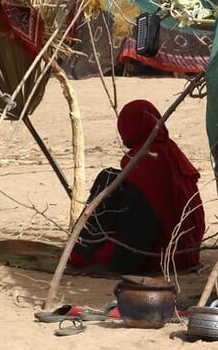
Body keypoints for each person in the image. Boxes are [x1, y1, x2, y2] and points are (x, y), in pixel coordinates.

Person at [69, 100, 205, 274]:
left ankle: (82, 248)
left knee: (110, 181)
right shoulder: (170, 151)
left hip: (165, 253)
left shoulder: (146, 164)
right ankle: (84, 246)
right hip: (187, 249)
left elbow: (141, 222)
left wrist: (120, 263)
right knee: (111, 177)